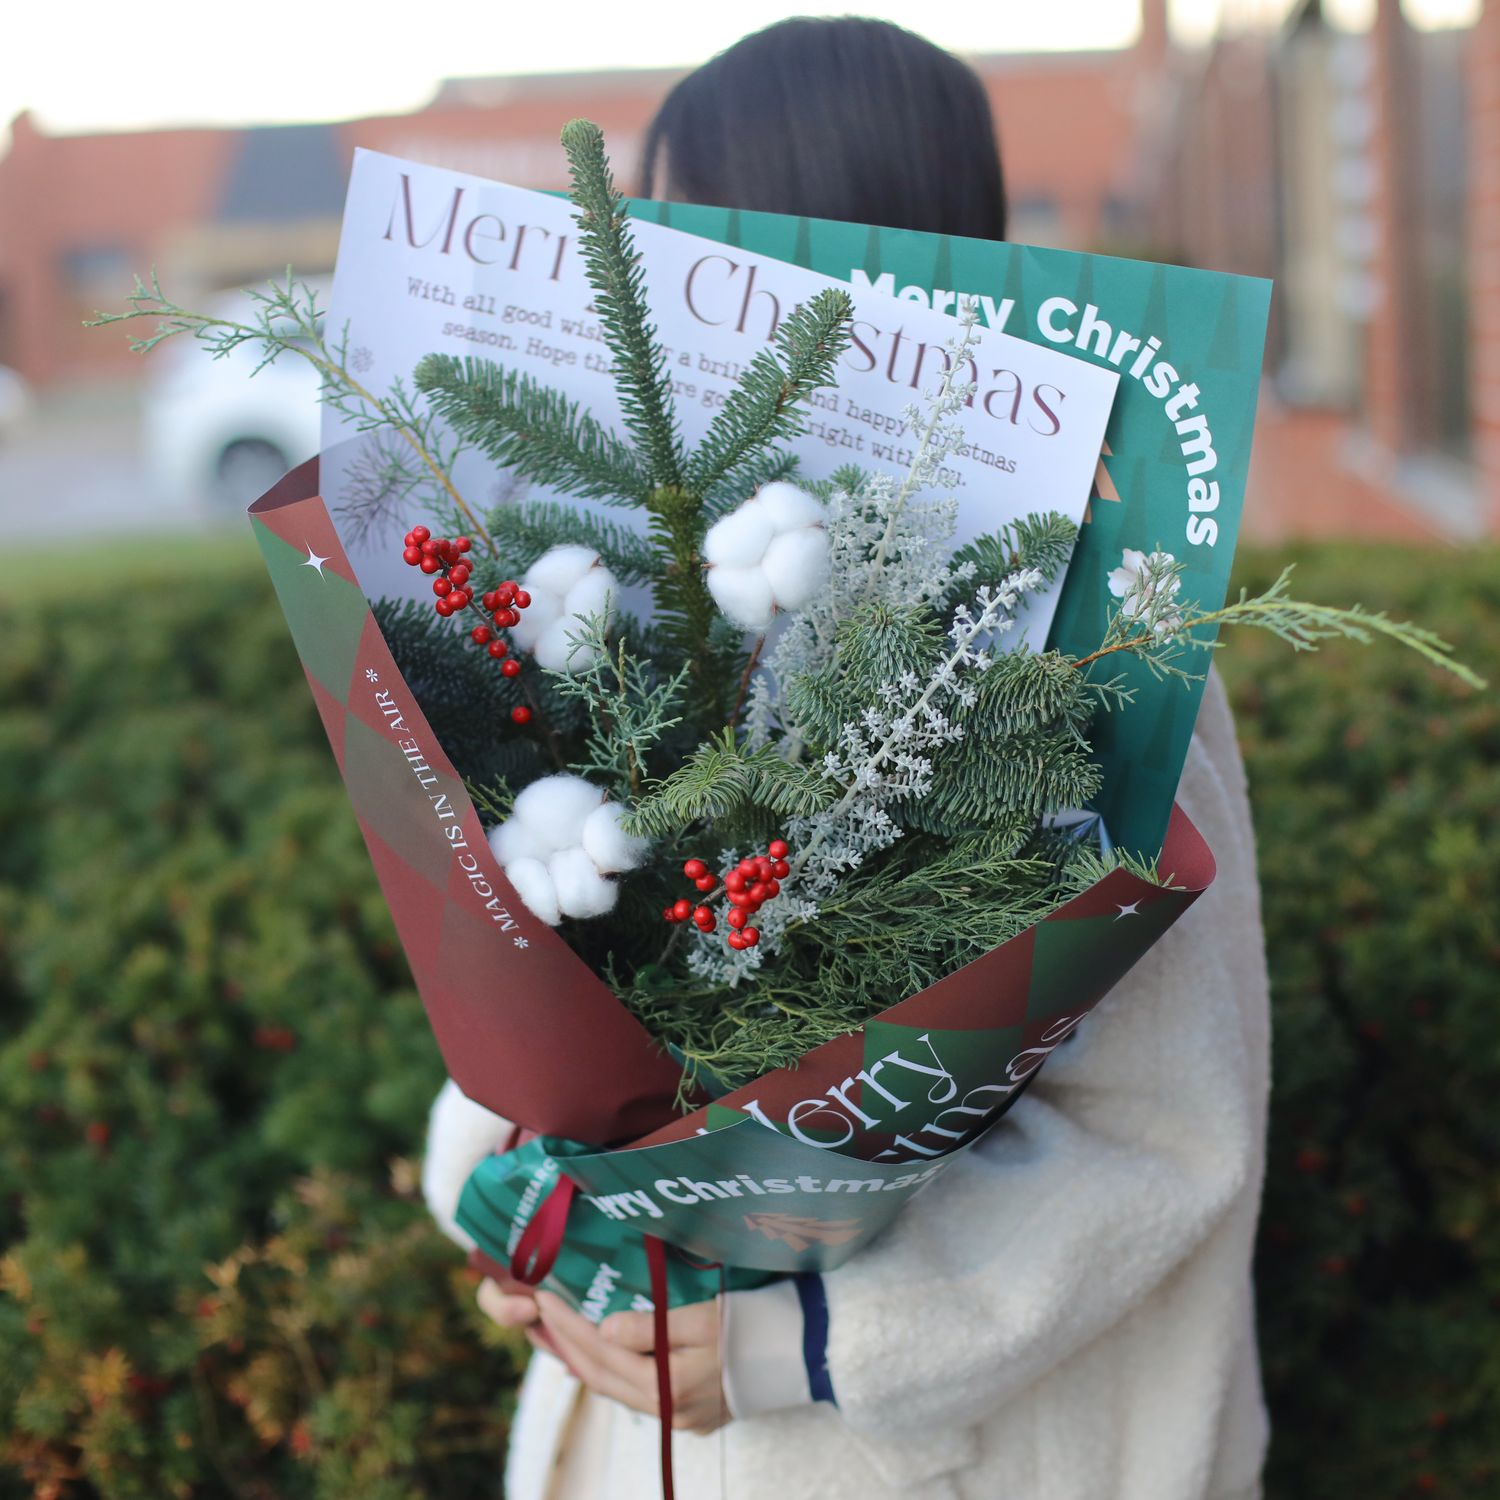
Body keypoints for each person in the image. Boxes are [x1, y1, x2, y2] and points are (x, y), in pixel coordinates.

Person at [422, 17, 1271, 1500]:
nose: (648, 287)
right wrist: (535, 1231)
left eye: (689, 234)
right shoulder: (635, 598)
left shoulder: (1078, 639)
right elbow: (544, 1005)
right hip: (637, 1428)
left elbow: (1167, 1135)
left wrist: (800, 1346)